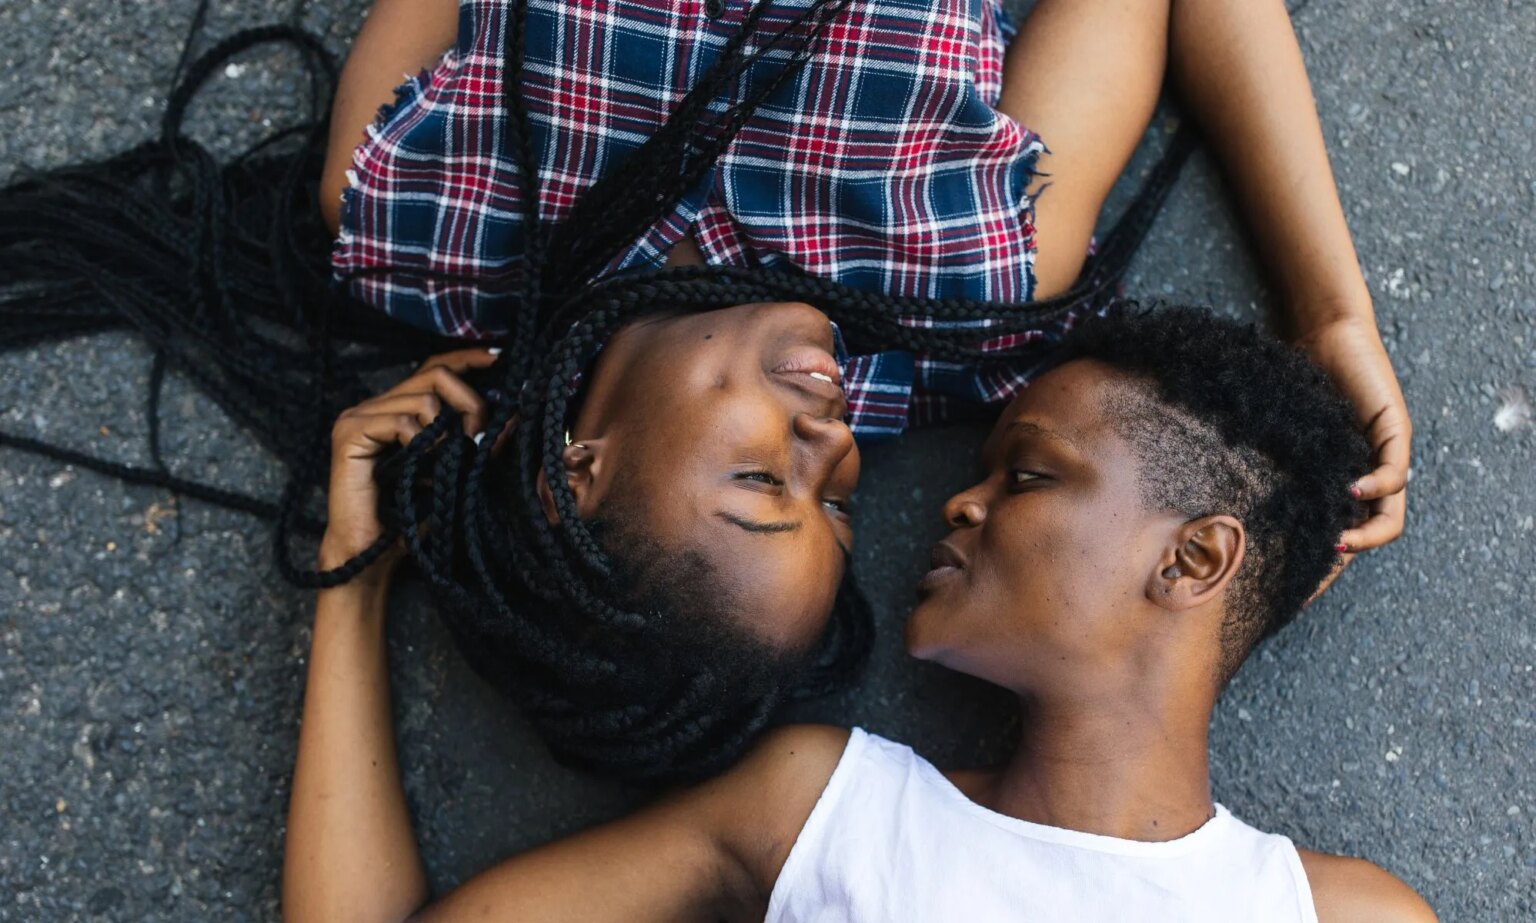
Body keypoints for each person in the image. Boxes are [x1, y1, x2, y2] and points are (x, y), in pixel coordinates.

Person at [0, 0, 1410, 779]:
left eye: (760, 482)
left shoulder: (420, 217)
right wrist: (1330, 305)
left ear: (575, 469)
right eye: (839, 497)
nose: (833, 435)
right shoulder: (965, 276)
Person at [282, 306, 1434, 922]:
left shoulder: (1345, 918)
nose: (955, 499)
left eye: (1028, 475)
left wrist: (1335, 313)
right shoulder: (824, 809)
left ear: (1194, 556)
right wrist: (355, 578)